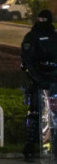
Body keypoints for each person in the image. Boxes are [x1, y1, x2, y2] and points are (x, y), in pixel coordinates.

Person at [21, 10, 57, 162]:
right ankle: (30, 147)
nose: (41, 21)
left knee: (54, 115)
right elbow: (27, 60)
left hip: (54, 81)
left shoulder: (55, 37)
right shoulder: (32, 36)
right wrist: (36, 77)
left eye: (44, 19)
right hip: (37, 81)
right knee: (34, 113)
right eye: (40, 18)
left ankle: (52, 146)